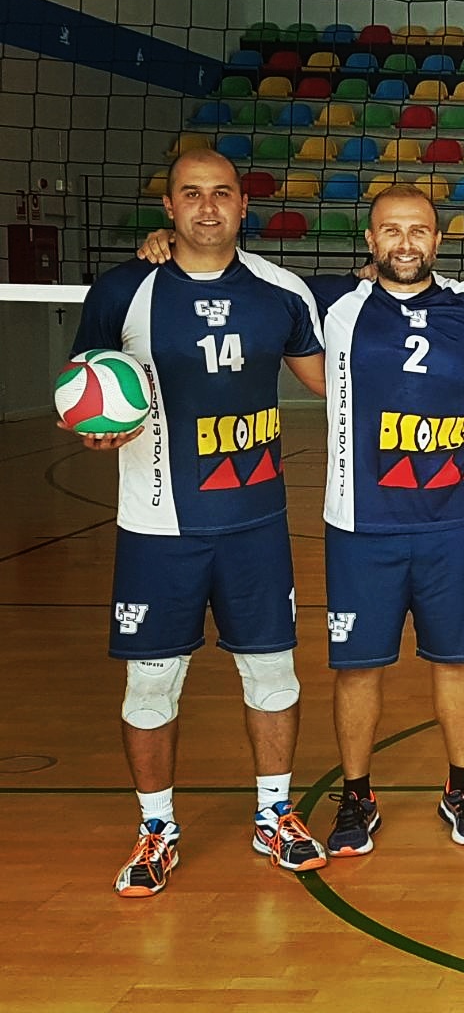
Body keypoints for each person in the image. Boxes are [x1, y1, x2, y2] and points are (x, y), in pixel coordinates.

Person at [137, 183, 464, 858]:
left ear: (438, 239)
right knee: (359, 668)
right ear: (370, 240)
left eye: (417, 230)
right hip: (360, 523)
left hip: (452, 519)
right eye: (390, 230)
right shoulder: (328, 300)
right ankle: (357, 794)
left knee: (457, 662)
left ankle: (462, 786)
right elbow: (235, 270)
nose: (404, 243)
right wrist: (173, 243)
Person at [71, 148, 328, 896]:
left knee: (272, 673)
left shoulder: (281, 291)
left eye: (221, 193)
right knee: (151, 682)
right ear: (169, 207)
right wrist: (92, 429)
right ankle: (156, 829)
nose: (207, 207)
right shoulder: (123, 289)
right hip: (157, 525)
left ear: (244, 205)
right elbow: (84, 389)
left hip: (255, 521)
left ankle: (274, 815)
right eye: (191, 193)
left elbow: (334, 383)